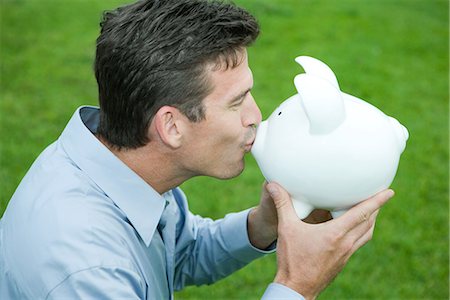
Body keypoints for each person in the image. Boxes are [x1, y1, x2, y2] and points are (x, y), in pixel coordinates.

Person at [0, 0, 395, 299]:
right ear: (171, 126)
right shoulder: (85, 270)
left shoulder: (121, 166)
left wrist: (263, 224)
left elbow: (181, 253)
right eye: (237, 102)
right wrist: (296, 285)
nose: (256, 116)